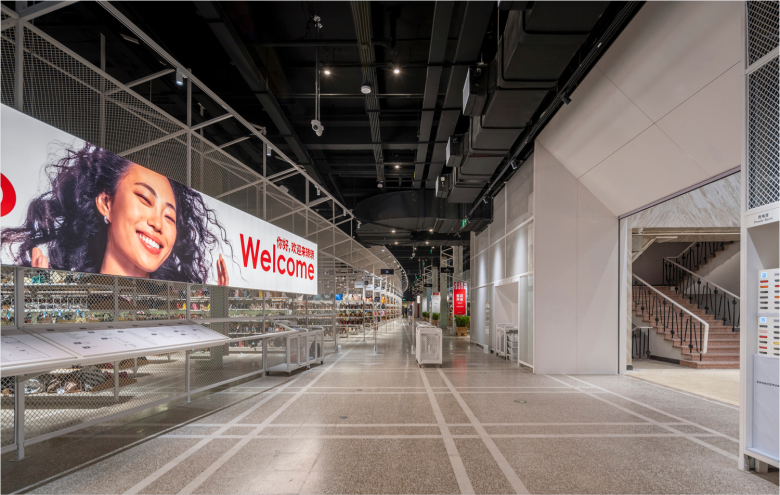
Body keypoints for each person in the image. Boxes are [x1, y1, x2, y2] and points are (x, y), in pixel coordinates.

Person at [0, 143, 231, 285]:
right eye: (145, 199)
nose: (158, 224)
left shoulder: (176, 306)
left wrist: (218, 309)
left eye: (169, 217)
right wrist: (41, 300)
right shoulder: (71, 296)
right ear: (106, 203)